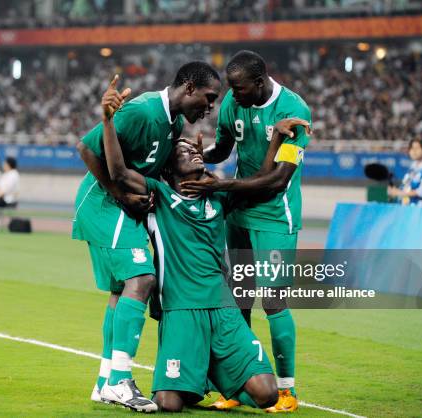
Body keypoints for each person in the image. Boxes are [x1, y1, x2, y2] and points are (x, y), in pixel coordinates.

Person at [99, 81, 310, 413]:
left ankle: (212, 371)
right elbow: (118, 171)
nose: (194, 150)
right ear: (169, 168)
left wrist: (276, 138)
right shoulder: (159, 195)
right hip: (181, 309)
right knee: (168, 404)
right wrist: (108, 122)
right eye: (184, 150)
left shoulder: (218, 193)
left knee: (267, 394)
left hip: (224, 308)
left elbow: (263, 179)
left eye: (196, 149)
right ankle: (197, 372)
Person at [73, 64, 221, 412]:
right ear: (188, 87)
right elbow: (86, 148)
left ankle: (105, 382)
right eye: (209, 97)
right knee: (141, 280)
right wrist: (120, 193)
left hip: (123, 208)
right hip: (104, 204)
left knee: (120, 292)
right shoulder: (141, 111)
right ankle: (121, 381)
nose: (210, 107)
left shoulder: (173, 122)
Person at [180, 50, 312, 413]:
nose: (232, 96)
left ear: (259, 81)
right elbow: (223, 148)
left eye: (238, 89)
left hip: (274, 216)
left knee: (272, 300)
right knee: (239, 300)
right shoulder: (233, 106)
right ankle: (237, 384)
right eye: (230, 89)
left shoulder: (293, 111)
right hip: (239, 215)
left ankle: (287, 391)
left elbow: (277, 179)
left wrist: (221, 187)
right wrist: (200, 156)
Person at [388, 139, 422, 206]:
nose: (414, 151)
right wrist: (394, 192)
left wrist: (399, 193)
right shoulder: (412, 168)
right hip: (406, 210)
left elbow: (421, 193)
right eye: (412, 148)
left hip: (420, 212)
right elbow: (405, 186)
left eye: (417, 148)